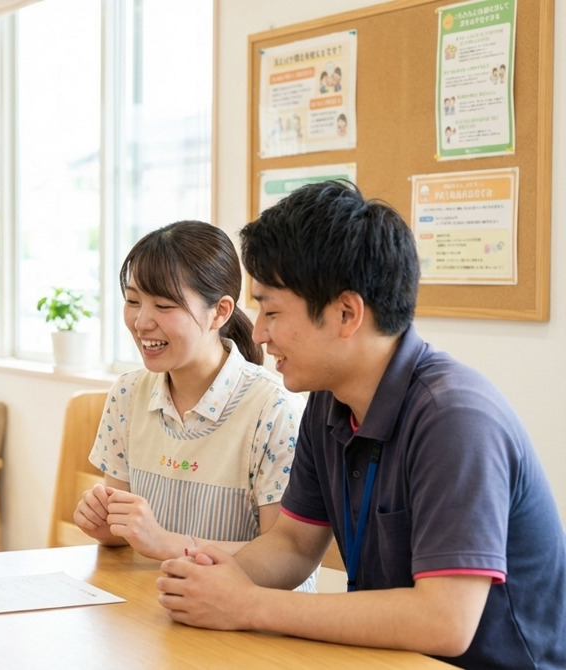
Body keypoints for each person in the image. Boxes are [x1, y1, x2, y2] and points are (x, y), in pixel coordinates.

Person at [156, 181, 566, 668]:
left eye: (270, 310)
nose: (259, 334)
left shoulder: (455, 419)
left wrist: (248, 604)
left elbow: (445, 621)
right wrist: (215, 578)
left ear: (346, 313)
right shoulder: (327, 402)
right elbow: (292, 544)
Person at [74, 221, 311, 590]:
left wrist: (167, 543)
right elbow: (123, 534)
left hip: (247, 627)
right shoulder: (128, 394)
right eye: (133, 300)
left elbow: (284, 558)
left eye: (164, 305)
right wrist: (108, 525)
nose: (141, 322)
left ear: (219, 312)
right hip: (155, 608)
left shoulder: (275, 409)